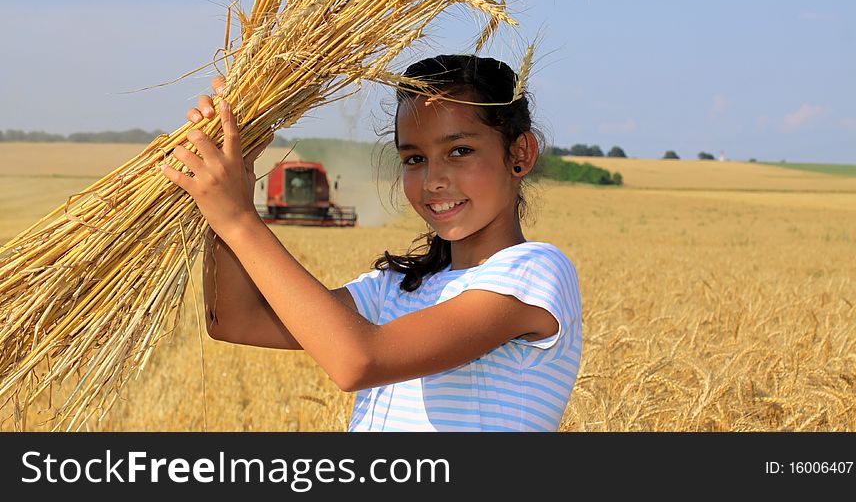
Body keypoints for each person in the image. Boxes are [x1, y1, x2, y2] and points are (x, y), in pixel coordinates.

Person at [162, 54, 583, 431]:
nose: (434, 180)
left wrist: (237, 219)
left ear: (520, 154)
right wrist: (232, 174)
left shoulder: (534, 272)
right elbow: (234, 320)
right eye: (414, 159)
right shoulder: (398, 289)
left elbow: (358, 360)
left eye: (459, 151)